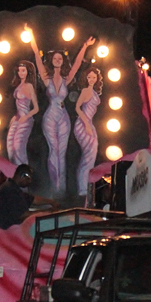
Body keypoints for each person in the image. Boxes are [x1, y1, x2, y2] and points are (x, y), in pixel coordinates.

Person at [29, 28, 95, 195]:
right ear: (51, 61)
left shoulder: (67, 79)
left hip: (64, 116)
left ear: (62, 61)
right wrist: (32, 40)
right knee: (53, 150)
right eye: (55, 58)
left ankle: (62, 189)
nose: (57, 60)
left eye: (60, 58)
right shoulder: (46, 78)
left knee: (62, 152)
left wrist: (85, 46)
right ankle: (54, 187)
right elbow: (37, 59)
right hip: (50, 115)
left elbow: (78, 64)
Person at [0, 163, 60, 229]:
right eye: (29, 178)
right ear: (22, 176)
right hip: (7, 232)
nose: (30, 181)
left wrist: (51, 202)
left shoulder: (12, 187)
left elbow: (33, 199)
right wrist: (48, 212)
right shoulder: (10, 190)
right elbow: (23, 215)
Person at [73, 66, 103, 197]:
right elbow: (78, 108)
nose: (91, 79)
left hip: (89, 123)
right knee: (88, 154)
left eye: (94, 77)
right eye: (89, 77)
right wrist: (86, 124)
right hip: (83, 123)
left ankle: (85, 185)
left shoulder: (94, 92)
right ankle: (82, 187)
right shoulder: (85, 91)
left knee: (91, 154)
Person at [6, 60, 39, 166]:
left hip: (25, 119)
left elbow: (36, 108)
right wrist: (15, 116)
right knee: (10, 146)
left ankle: (23, 171)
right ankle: (13, 170)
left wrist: (26, 117)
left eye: (23, 71)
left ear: (28, 72)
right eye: (19, 71)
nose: (21, 73)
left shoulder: (29, 86)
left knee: (18, 146)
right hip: (17, 118)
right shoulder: (19, 85)